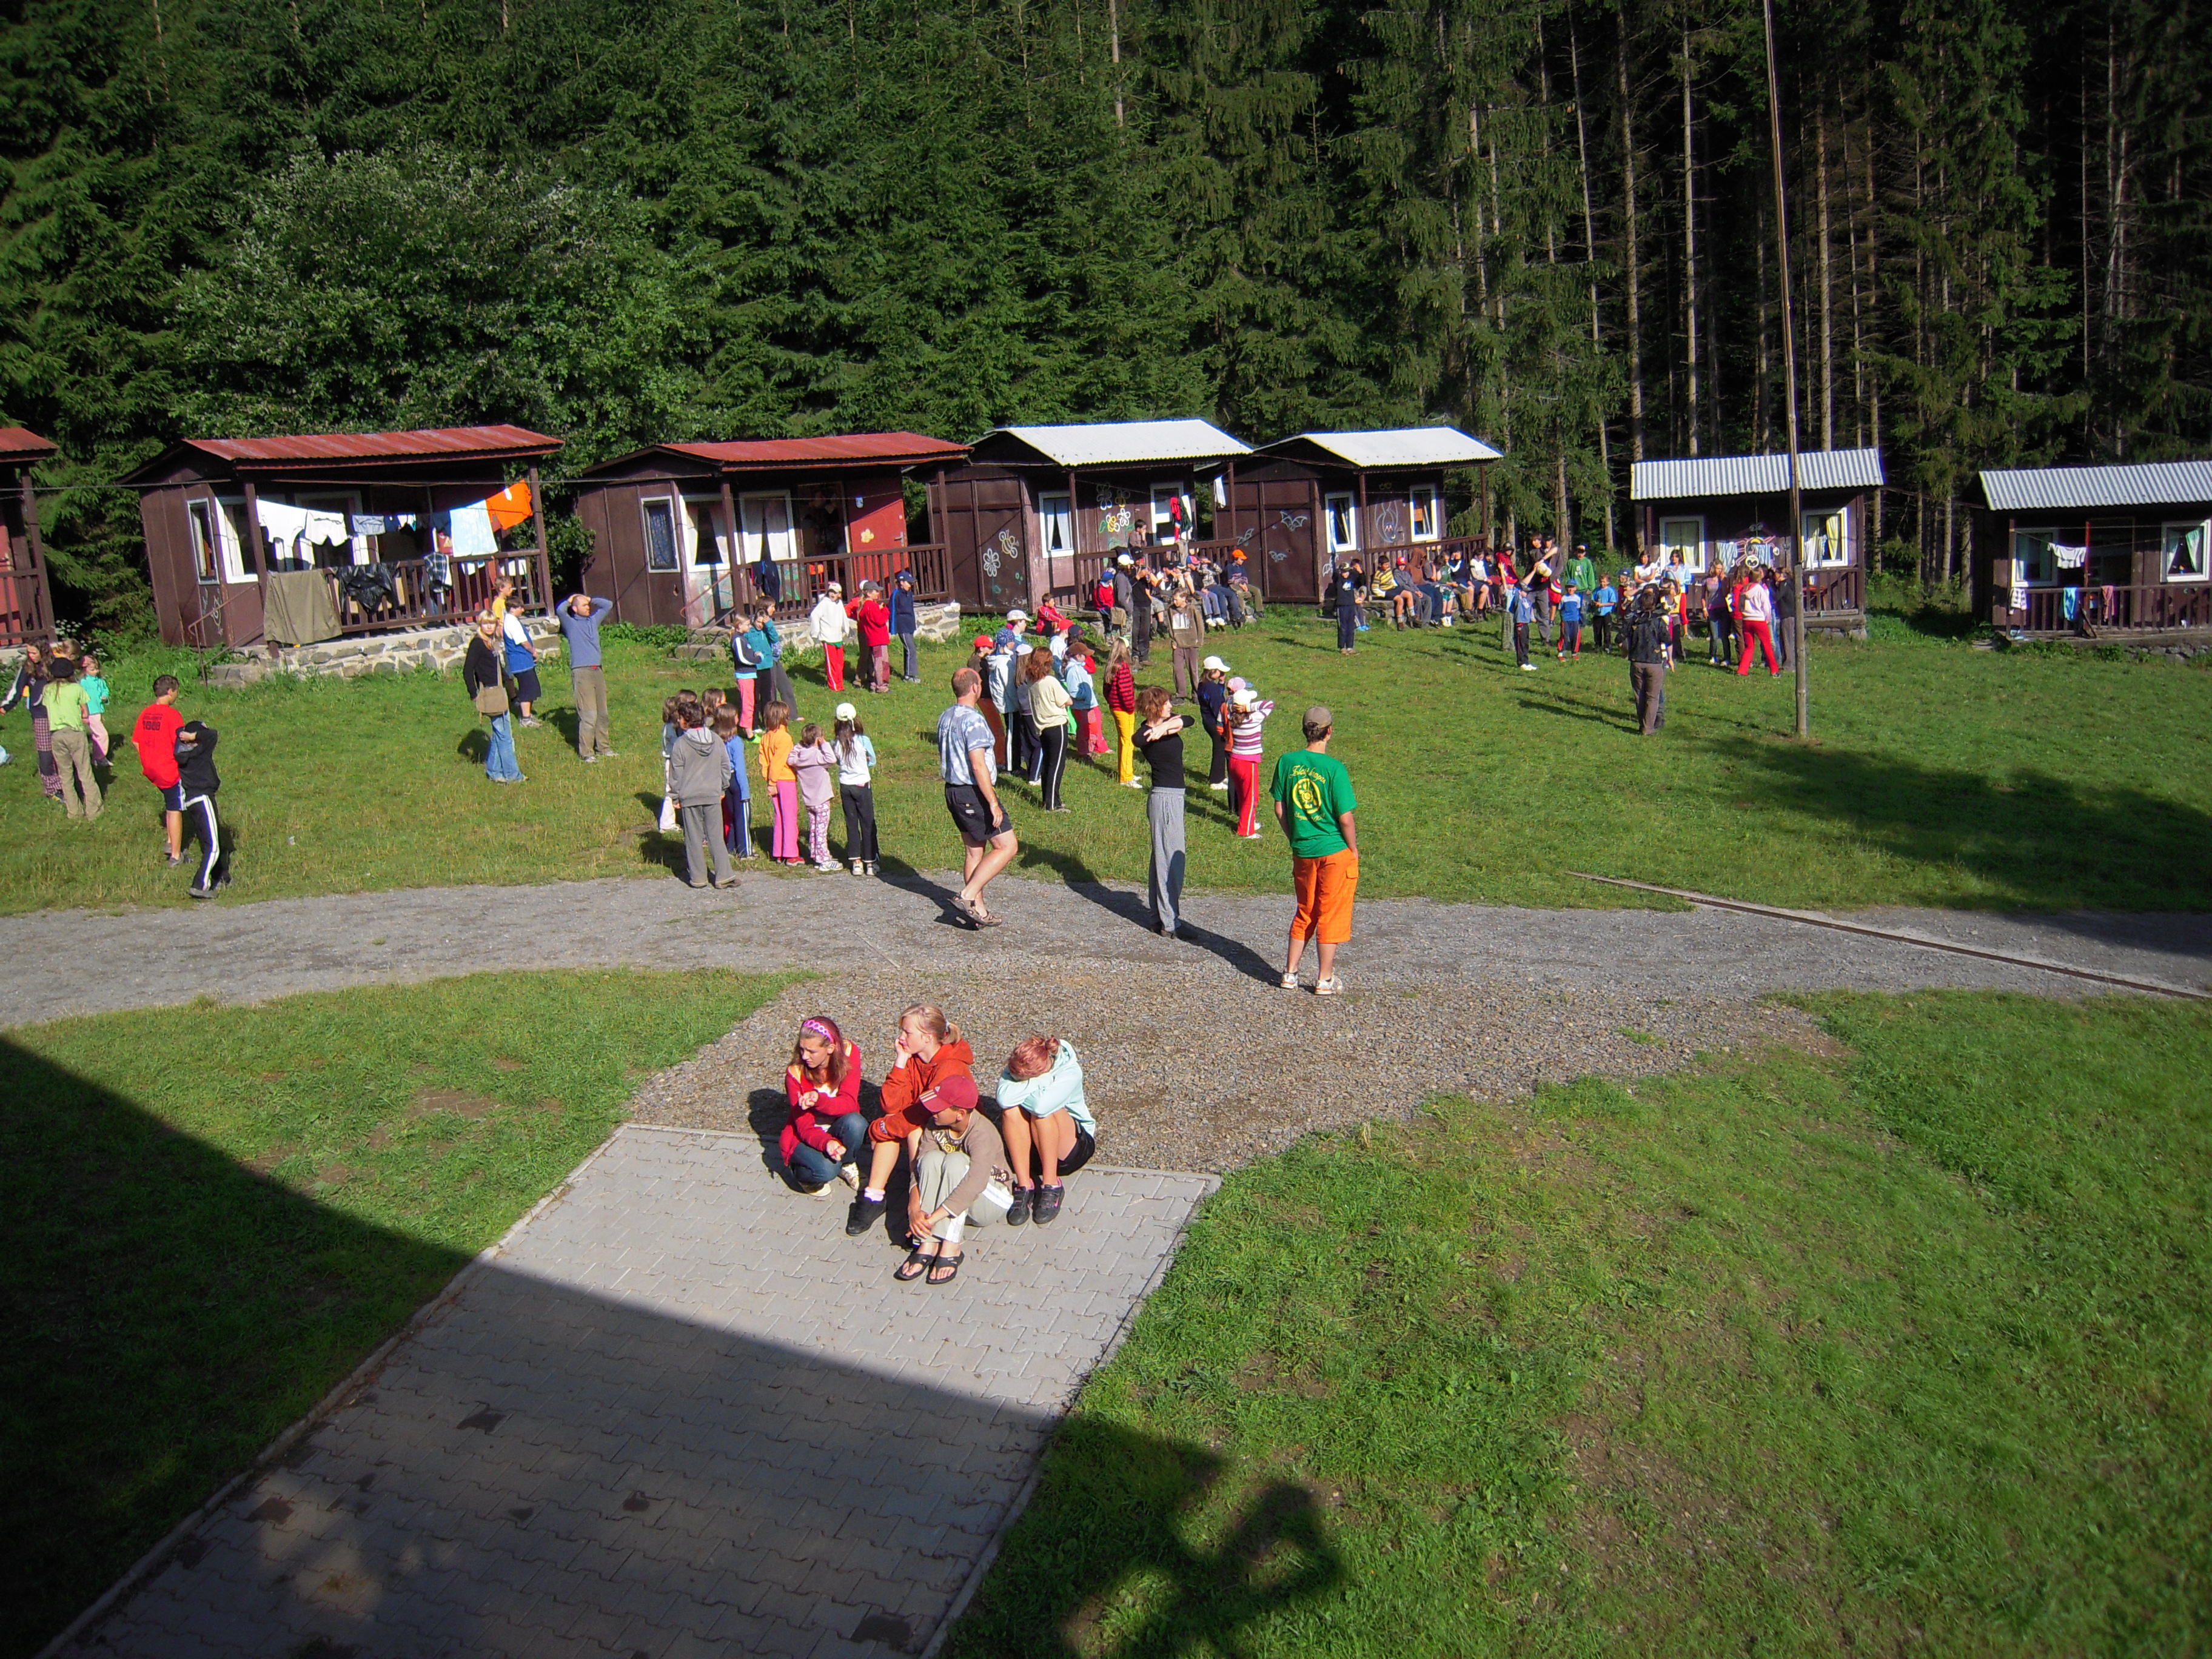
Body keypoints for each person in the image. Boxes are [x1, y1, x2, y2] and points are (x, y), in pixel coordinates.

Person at [850, 1003, 976, 1236]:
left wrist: (879, 1129)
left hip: (954, 1137)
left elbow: (925, 1113)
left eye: (907, 1032)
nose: (901, 1037)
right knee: (893, 1121)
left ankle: (919, 1205)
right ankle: (874, 1196)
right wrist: (900, 1061)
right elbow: (891, 1104)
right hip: (926, 1124)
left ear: (927, 1037)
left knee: (907, 1129)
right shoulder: (915, 1058)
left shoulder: (950, 1066)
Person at [1271, 705, 1359, 994]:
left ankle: (1290, 973)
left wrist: (1294, 837)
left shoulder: (1287, 762)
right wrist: (1353, 848)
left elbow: (1280, 809)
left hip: (1303, 850)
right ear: (1329, 731)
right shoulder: (1334, 769)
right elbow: (1345, 818)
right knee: (1331, 913)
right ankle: (1324, 979)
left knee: (1305, 910)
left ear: (1304, 730)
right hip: (1334, 850)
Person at [897, 1073, 1011, 1285]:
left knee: (957, 1161)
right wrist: (914, 1210)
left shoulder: (982, 1133)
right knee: (930, 1159)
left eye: (939, 1108)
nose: (933, 1112)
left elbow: (974, 1184)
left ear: (960, 1114)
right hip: (954, 1197)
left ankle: (951, 1245)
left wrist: (931, 1220)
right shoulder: (935, 1124)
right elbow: (919, 1169)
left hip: (990, 1199)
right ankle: (928, 1241)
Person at [938, 666, 1018, 927]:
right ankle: (967, 895)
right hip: (973, 792)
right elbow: (978, 764)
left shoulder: (946, 716)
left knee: (974, 852)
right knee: (1007, 846)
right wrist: (993, 802)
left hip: (953, 790)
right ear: (975, 687)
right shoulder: (973, 720)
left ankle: (978, 912)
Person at [995, 1034, 1096, 1225]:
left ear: (1041, 1070)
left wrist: (1020, 1090)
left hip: (1072, 1149)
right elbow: (1004, 1100)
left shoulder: (1070, 1071)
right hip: (1036, 1148)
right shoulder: (1018, 1066)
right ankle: (1025, 1185)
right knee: (1010, 1111)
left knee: (1044, 1113)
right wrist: (1039, 1082)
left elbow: (1041, 1107)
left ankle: (1052, 1184)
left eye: (1025, 1079)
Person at [1133, 685, 1196, 937]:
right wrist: (1157, 730)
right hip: (1165, 798)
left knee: (1164, 858)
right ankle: (1170, 923)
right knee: (1169, 861)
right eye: (1167, 703)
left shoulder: (1167, 725)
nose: (1171, 706)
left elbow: (1188, 720)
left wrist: (1165, 726)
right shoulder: (1145, 733)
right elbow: (1138, 739)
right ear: (1155, 707)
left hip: (1173, 798)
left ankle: (1160, 918)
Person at [782, 1016, 867, 1193]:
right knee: (827, 1170)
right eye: (802, 1049)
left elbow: (849, 1104)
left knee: (856, 1122)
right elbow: (804, 1127)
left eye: (811, 1051)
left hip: (837, 1124)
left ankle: (847, 1163)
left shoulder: (849, 1053)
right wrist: (827, 1143)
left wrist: (819, 1101)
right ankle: (804, 1176)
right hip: (805, 1135)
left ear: (830, 1048)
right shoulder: (795, 1074)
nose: (805, 1056)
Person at [668, 692, 737, 888]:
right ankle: (724, 876)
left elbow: (676, 774)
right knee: (716, 837)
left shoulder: (681, 745)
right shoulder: (715, 739)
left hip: (689, 796)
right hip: (713, 795)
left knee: (693, 838)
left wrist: (675, 796)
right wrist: (722, 787)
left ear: (685, 721)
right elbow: (725, 766)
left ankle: (698, 878)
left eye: (680, 718)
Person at [132, 674, 187, 865]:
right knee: (175, 809)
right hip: (169, 770)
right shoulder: (173, 715)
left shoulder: (146, 713)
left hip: (151, 768)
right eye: (176, 692)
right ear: (170, 691)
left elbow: (136, 742)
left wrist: (149, 758)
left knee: (169, 802)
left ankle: (171, 840)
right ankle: (176, 855)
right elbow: (180, 744)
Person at [554, 592, 617, 760]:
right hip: (582, 672)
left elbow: (608, 605)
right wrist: (570, 600)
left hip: (598, 671)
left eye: (588, 605)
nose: (588, 608)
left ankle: (603, 747)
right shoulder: (571, 624)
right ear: (575, 609)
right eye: (584, 606)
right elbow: (560, 610)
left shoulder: (593, 621)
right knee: (589, 714)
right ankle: (587, 753)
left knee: (602, 713)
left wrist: (590, 599)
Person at [463, 612, 523, 783]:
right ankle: (513, 775)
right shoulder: (478, 644)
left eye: (492, 623)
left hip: (499, 690)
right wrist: (474, 693)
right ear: (480, 625)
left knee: (499, 734)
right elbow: (468, 670)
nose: (489, 626)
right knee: (505, 736)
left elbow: (495, 667)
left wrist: (507, 679)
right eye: (485, 623)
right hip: (490, 693)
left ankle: (494, 771)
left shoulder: (491, 643)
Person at [173, 714, 226, 896]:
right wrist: (194, 735)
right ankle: (199, 885)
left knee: (209, 842)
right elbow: (212, 735)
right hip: (203, 798)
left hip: (192, 801)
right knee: (213, 846)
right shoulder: (200, 752)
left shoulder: (181, 754)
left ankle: (223, 877)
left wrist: (187, 736)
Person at [41, 655, 101, 819]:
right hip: (75, 733)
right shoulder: (77, 689)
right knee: (85, 772)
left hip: (56, 734)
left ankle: (74, 811)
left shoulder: (47, 690)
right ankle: (94, 810)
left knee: (65, 774)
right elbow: (85, 711)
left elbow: (47, 707)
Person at [3, 643, 61, 800]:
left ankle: (67, 783)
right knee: (45, 753)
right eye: (29, 653)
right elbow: (17, 688)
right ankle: (52, 788)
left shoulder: (55, 665)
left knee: (61, 751)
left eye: (34, 653)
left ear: (43, 652)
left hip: (60, 714)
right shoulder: (28, 668)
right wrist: (6, 706)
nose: (31, 656)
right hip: (40, 715)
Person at [832, 702, 880, 875]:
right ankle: (870, 862)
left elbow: (838, 761)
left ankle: (856, 862)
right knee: (867, 823)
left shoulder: (836, 742)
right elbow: (872, 761)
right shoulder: (863, 740)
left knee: (851, 823)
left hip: (846, 785)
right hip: (862, 785)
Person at [1025, 646, 1072, 812]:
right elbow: (1068, 701)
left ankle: (1051, 799)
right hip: (1057, 725)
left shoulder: (1032, 683)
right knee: (1057, 765)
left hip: (1043, 728)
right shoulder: (1051, 681)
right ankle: (1052, 804)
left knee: (1048, 764)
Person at [789, 719, 839, 871]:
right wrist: (825, 744)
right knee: (821, 831)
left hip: (809, 801)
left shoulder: (800, 758)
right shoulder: (818, 756)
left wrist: (799, 746)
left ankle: (816, 855)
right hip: (822, 800)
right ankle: (824, 860)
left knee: (814, 829)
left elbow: (790, 759)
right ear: (819, 739)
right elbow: (832, 759)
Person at [1225, 683, 1273, 839]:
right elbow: (1269, 704)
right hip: (1247, 762)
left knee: (1243, 795)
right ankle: (1246, 831)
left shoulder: (1231, 716)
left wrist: (1239, 705)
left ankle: (1249, 822)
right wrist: (1248, 707)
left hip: (1234, 760)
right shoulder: (1253, 718)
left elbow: (1229, 701)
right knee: (1251, 797)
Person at [757, 700, 800, 864]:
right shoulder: (785, 738)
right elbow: (778, 762)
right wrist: (773, 781)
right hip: (785, 779)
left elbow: (764, 762)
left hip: (773, 781)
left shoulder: (765, 737)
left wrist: (768, 780)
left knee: (779, 816)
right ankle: (791, 853)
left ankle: (778, 851)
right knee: (790, 817)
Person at [712, 704, 756, 859]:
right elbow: (740, 769)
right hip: (736, 780)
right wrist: (745, 792)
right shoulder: (736, 742)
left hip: (724, 780)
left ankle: (731, 848)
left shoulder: (716, 740)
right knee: (742, 817)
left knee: (731, 816)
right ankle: (745, 851)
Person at [1627, 588, 1671, 735]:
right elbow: (1668, 640)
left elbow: (1620, 638)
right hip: (1654, 661)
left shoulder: (1634, 620)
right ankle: (1648, 727)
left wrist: (1626, 651)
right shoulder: (1659, 621)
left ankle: (1642, 724)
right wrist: (1670, 658)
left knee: (1639, 695)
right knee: (1652, 697)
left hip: (1637, 660)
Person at [498, 597, 543, 726]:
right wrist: (533, 651)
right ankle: (525, 719)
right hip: (521, 662)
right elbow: (523, 641)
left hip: (523, 661)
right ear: (512, 609)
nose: (523, 610)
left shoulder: (511, 620)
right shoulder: (512, 622)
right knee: (527, 690)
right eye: (520, 608)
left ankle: (528, 716)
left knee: (531, 688)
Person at [1104, 638, 1138, 788]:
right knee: (1128, 743)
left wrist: (1111, 702)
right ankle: (1126, 777)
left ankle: (1127, 771)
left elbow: (1106, 689)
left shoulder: (1111, 666)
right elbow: (1126, 692)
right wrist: (1131, 707)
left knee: (1123, 741)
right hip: (1124, 709)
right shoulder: (1123, 667)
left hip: (1115, 707)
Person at [1196, 655, 1232, 791]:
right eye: (1220, 671)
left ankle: (1219, 776)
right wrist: (1225, 722)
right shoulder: (1212, 689)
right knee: (1220, 749)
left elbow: (1217, 694)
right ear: (1213, 671)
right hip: (1215, 723)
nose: (1222, 674)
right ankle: (1216, 780)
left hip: (1208, 721)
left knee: (1220, 748)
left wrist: (1221, 683)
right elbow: (1218, 706)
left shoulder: (1203, 684)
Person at [1737, 568, 1780, 675]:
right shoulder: (1760, 589)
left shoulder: (1744, 589)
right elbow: (1766, 606)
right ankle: (1774, 670)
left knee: (1749, 646)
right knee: (1767, 645)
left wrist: (1744, 613)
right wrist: (1767, 617)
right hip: (1759, 620)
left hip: (1747, 619)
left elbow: (1740, 605)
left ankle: (1742, 670)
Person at [809, 581, 850, 691]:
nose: (833, 594)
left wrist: (846, 628)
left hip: (838, 637)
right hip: (827, 637)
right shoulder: (824, 603)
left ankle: (840, 683)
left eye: (835, 593)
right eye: (831, 592)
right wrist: (816, 632)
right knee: (832, 663)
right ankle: (834, 685)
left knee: (840, 662)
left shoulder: (839, 603)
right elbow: (814, 615)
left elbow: (843, 616)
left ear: (839, 594)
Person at [1167, 589, 1203, 699]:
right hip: (1178, 645)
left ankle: (1196, 695)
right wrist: (1173, 641)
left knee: (1193, 671)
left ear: (1184, 598)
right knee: (1178, 670)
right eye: (1173, 599)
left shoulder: (1192, 609)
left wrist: (1199, 641)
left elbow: (1200, 625)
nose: (1174, 602)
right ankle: (1181, 694)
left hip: (1191, 644)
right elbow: (1170, 627)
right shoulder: (1171, 610)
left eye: (1176, 599)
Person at [76, 652, 111, 765]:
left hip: (98, 710)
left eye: (97, 669)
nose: (95, 672)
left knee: (96, 736)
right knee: (102, 735)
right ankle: (101, 757)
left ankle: (96, 758)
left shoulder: (100, 681)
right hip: (90, 711)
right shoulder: (84, 682)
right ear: (85, 670)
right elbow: (80, 696)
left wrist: (105, 696)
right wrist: (83, 712)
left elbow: (105, 690)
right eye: (92, 670)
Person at [890, 568, 921, 682]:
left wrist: (913, 625)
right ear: (902, 582)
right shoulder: (896, 595)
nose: (910, 585)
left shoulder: (909, 594)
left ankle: (908, 674)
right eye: (908, 583)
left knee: (909, 650)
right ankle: (910, 676)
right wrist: (893, 629)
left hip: (910, 625)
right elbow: (892, 611)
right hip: (902, 626)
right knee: (911, 649)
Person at [1331, 559, 1362, 653]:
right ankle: (1342, 647)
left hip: (1351, 605)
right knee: (1343, 627)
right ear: (1341, 572)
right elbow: (1335, 575)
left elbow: (1360, 577)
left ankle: (1350, 647)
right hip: (1341, 606)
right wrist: (1341, 570)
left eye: (1348, 572)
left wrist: (1355, 569)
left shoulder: (1351, 578)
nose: (1346, 574)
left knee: (1351, 627)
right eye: (1344, 572)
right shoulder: (1338, 580)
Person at [1509, 577, 1536, 671]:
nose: (1527, 593)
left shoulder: (1527, 600)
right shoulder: (1518, 598)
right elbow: (1512, 607)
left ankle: (1526, 661)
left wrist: (1532, 618)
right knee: (1520, 643)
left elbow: (1530, 610)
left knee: (1525, 643)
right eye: (1525, 591)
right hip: (1520, 623)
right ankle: (1521, 662)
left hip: (1526, 624)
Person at [1593, 574, 1620, 654]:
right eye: (1601, 582)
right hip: (1598, 613)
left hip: (1607, 613)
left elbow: (1612, 602)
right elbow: (1593, 599)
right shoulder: (1597, 590)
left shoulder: (1610, 591)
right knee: (1597, 631)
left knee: (1607, 631)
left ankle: (1607, 646)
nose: (1602, 583)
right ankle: (1598, 645)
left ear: (1608, 582)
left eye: (1604, 582)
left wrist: (1603, 605)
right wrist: (1595, 603)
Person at [1558, 583, 1584, 660]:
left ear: (1575, 588)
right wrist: (1563, 618)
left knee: (1575, 636)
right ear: (1566, 588)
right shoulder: (1564, 598)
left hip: (1575, 619)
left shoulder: (1577, 598)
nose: (1571, 589)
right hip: (1566, 619)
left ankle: (1574, 653)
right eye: (1569, 587)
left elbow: (1578, 608)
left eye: (1572, 587)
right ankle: (1561, 653)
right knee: (1565, 636)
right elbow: (1560, 608)